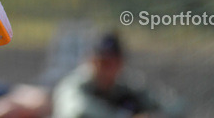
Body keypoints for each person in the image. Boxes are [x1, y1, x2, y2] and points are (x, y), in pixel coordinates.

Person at [51, 32, 185, 118]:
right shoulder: (75, 84)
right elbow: (77, 110)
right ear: (90, 60)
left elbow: (175, 107)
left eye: (113, 62)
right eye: (103, 62)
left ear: (121, 63)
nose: (108, 68)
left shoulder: (128, 85)